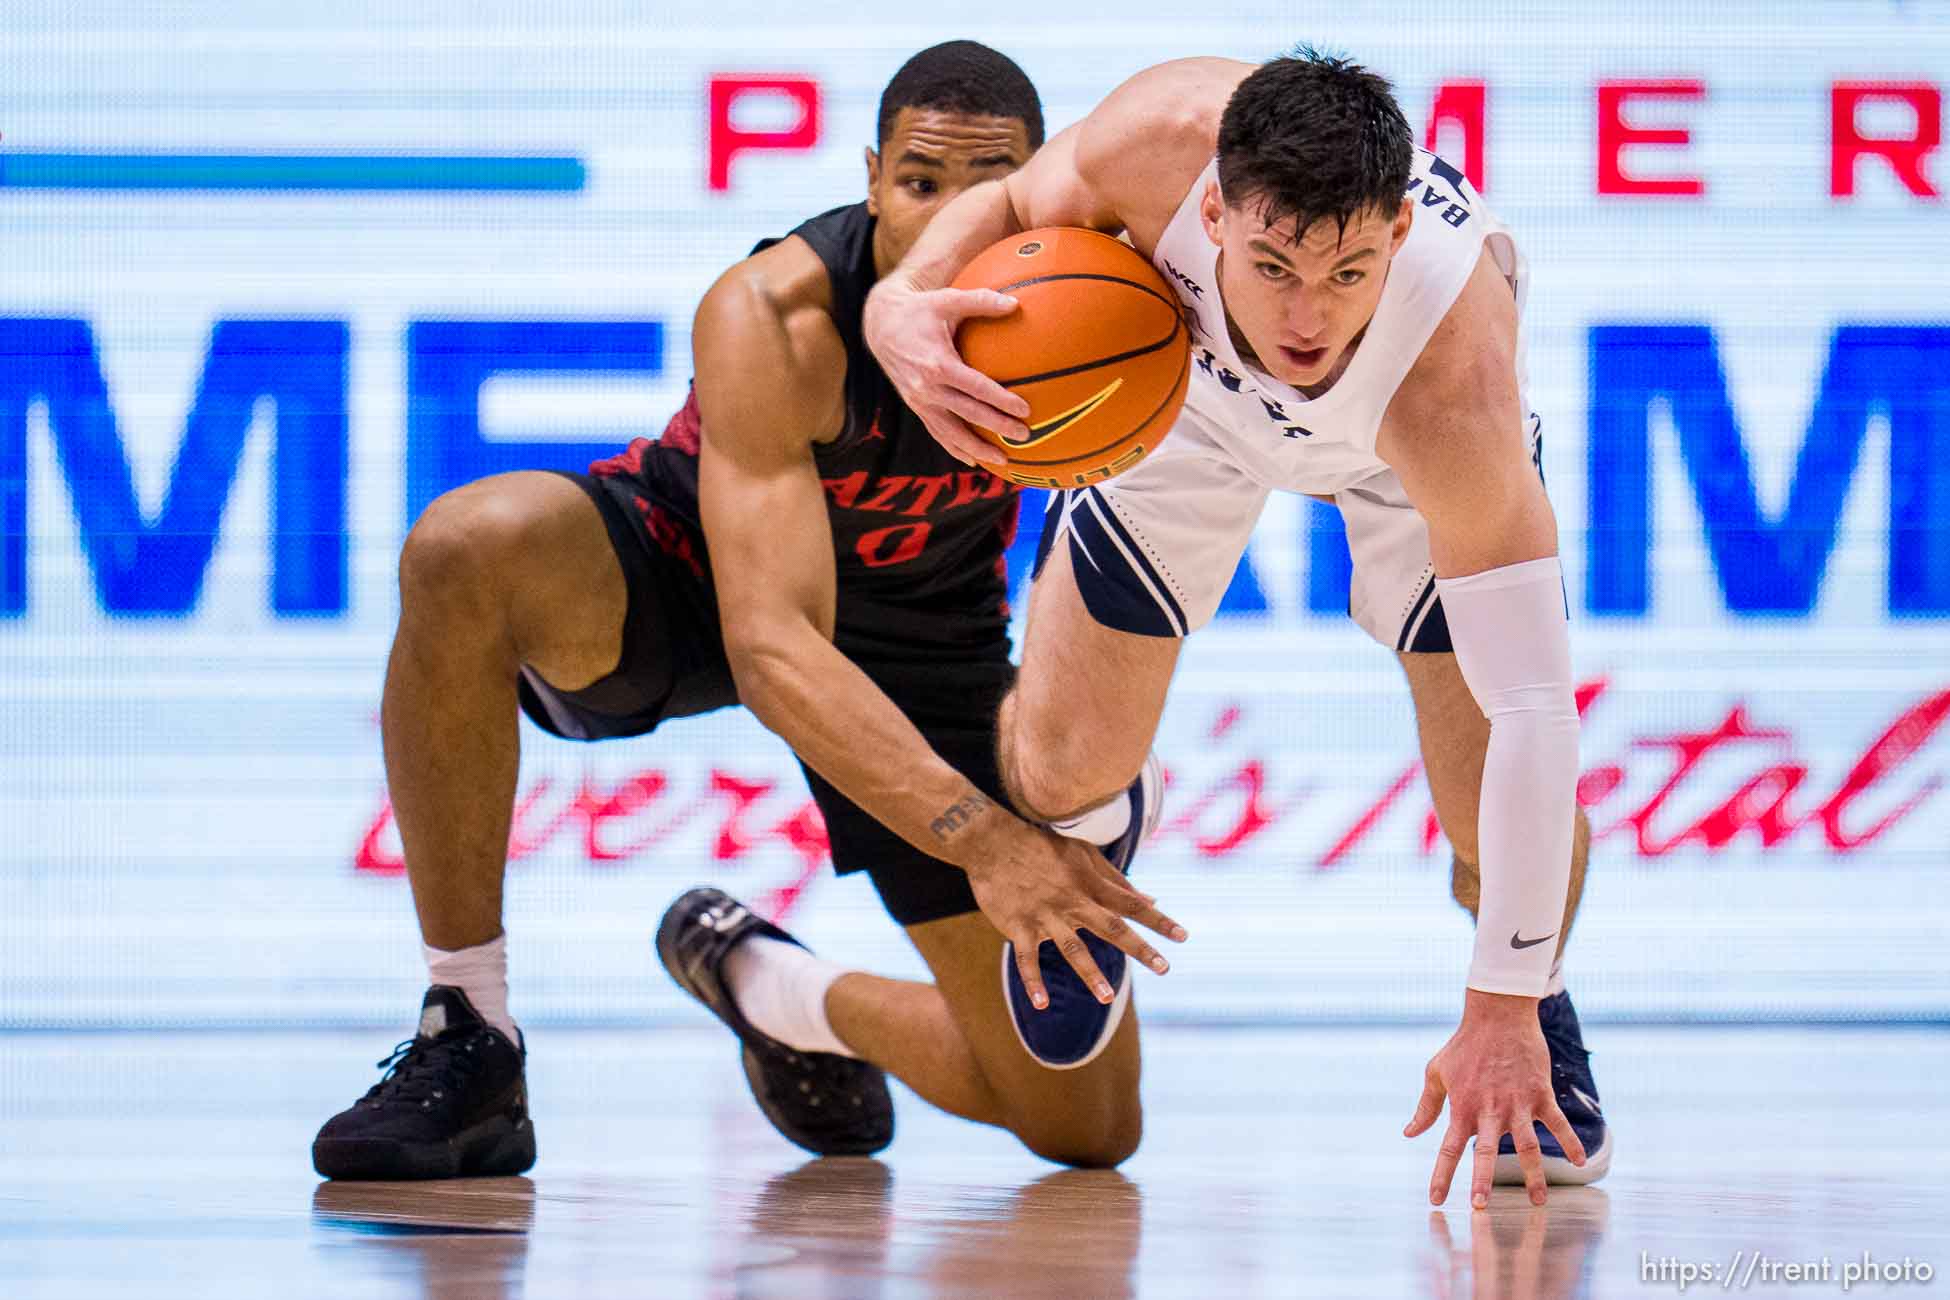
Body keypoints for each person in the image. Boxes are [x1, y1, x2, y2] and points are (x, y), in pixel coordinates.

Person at [311, 40, 1183, 1182]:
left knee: (1084, 1125)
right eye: (921, 182)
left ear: (1036, 185)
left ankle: (771, 984)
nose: (947, 219)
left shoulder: (1101, 294)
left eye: (988, 185)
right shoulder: (773, 316)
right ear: (873, 177)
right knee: (466, 544)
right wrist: (993, 842)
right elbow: (772, 648)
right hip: (693, 569)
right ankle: (468, 1024)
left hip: (927, 632)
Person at [862, 48, 1609, 1208]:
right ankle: (1104, 827)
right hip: (1188, 400)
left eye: (1350, 270)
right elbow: (1010, 205)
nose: (1308, 319)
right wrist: (898, 298)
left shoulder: (1455, 386)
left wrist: (1501, 1002)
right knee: (1054, 764)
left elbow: (1537, 709)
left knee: (1503, 816)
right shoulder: (1158, 139)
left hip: (1394, 458)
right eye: (1271, 267)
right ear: (1211, 207)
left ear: (1400, 234)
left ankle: (1539, 988)